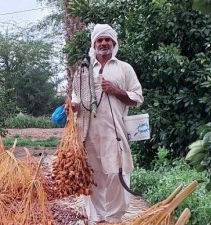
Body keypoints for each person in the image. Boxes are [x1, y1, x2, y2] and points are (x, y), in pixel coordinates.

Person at [70, 23, 143, 224]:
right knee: (91, 176)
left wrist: (115, 90)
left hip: (114, 131)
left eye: (107, 39)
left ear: (114, 42)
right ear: (94, 44)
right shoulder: (83, 70)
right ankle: (97, 219)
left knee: (116, 174)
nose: (103, 43)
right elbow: (76, 95)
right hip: (88, 132)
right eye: (99, 40)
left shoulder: (124, 68)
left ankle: (113, 218)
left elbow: (137, 98)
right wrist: (74, 105)